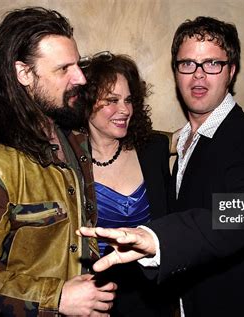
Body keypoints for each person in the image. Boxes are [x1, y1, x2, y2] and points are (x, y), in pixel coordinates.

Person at [79, 16, 244, 316]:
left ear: (231, 71)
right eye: (188, 64)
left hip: (242, 303)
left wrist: (155, 238)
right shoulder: (183, 140)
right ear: (176, 71)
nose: (199, 76)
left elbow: (242, 217)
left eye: (212, 64)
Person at [0, 7, 116, 316]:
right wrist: (56, 297)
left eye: (79, 64)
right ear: (23, 73)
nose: (81, 77)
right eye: (64, 69)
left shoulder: (75, 139)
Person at [78, 52, 175, 316]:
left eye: (129, 100)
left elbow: (170, 222)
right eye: (112, 100)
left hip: (153, 298)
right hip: (94, 298)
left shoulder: (153, 151)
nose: (125, 110)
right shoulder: (68, 164)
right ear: (86, 103)